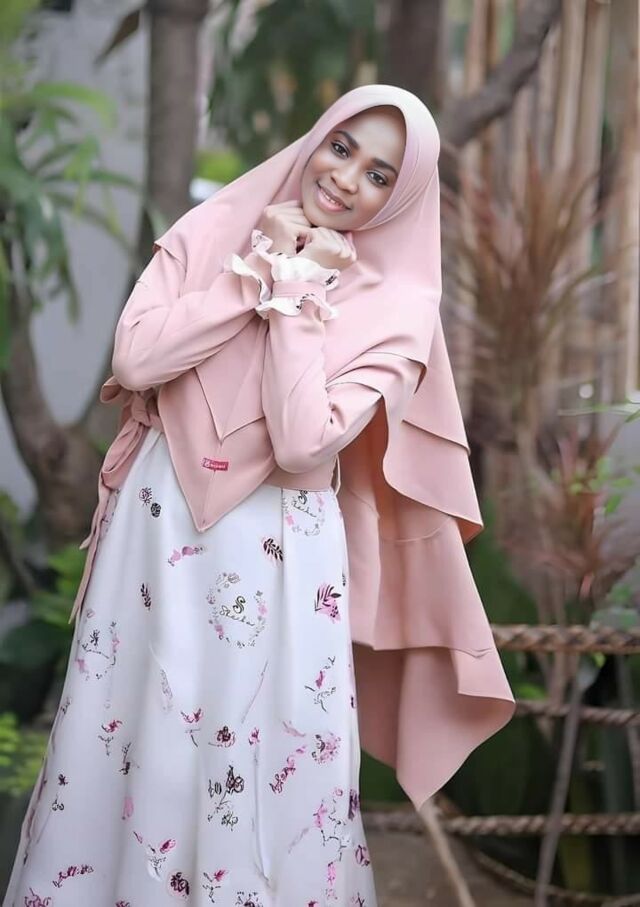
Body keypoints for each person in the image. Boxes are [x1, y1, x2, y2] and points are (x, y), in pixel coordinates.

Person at [3, 84, 514, 907]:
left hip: (275, 551)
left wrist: (296, 292)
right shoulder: (217, 226)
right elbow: (136, 360)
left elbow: (304, 440)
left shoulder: (400, 309)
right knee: (133, 730)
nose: (346, 178)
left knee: (258, 750)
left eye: (379, 174)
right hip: (158, 523)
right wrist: (254, 274)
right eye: (341, 147)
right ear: (316, 139)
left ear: (401, 197)